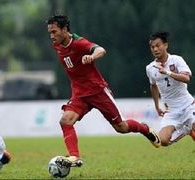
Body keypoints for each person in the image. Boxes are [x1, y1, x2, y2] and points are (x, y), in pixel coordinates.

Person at [46, 14, 160, 168]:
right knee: (65, 121)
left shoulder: (79, 43)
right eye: (50, 32)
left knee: (122, 127)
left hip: (97, 91)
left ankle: (145, 129)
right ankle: (74, 157)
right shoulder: (58, 45)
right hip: (79, 94)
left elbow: (101, 50)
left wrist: (92, 56)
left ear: (65, 29)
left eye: (54, 32)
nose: (51, 36)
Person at [146, 31, 195, 147]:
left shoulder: (176, 60)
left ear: (166, 45)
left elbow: (187, 78)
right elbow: (153, 86)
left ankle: (189, 128)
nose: (155, 49)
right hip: (172, 111)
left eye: (158, 45)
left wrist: (167, 72)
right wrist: (157, 106)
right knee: (162, 141)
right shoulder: (150, 68)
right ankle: (186, 130)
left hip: (188, 105)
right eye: (152, 47)